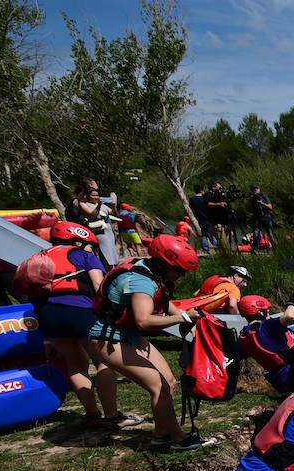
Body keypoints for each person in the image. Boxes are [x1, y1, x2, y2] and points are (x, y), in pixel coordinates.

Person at [87, 234, 211, 450]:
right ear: (164, 263)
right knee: (159, 386)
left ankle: (160, 434)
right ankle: (178, 438)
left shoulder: (150, 270)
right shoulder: (141, 281)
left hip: (128, 335)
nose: (182, 275)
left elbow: (164, 301)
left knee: (169, 382)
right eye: (179, 270)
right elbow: (143, 321)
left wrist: (187, 316)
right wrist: (182, 317)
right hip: (108, 340)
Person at [31, 221, 141, 428]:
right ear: (77, 241)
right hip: (80, 310)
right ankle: (112, 416)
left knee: (75, 365)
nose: (93, 249)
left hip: (46, 314)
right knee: (104, 363)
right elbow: (100, 286)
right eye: (91, 245)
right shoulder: (84, 256)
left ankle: (92, 415)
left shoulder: (39, 256)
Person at [205, 181, 232, 250]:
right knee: (221, 240)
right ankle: (224, 256)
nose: (221, 189)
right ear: (213, 187)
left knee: (225, 240)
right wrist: (219, 204)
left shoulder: (220, 195)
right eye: (219, 187)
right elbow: (208, 204)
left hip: (225, 222)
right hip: (216, 222)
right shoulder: (208, 195)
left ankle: (225, 254)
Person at [188, 185, 215, 254]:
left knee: (204, 234)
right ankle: (216, 248)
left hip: (200, 218)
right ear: (201, 190)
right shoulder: (204, 198)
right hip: (209, 218)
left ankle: (206, 250)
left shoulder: (191, 199)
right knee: (213, 234)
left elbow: (192, 209)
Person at [248, 185, 274, 251]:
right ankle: (255, 249)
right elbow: (246, 207)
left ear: (259, 189)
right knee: (256, 233)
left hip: (266, 217)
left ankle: (274, 248)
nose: (255, 190)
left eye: (256, 188)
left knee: (270, 233)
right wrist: (250, 200)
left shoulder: (264, 196)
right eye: (253, 189)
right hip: (257, 218)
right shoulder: (252, 198)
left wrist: (262, 203)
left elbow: (271, 207)